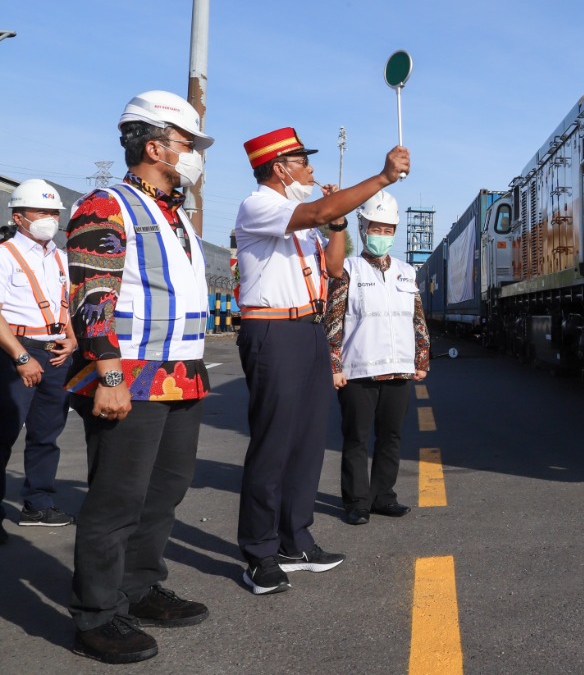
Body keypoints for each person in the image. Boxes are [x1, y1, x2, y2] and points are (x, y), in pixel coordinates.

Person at [63, 91, 215, 665]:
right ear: (155, 147)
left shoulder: (175, 215)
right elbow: (93, 295)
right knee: (116, 499)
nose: (195, 155)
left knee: (164, 492)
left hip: (182, 376)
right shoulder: (107, 206)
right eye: (188, 144)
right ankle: (97, 616)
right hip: (127, 374)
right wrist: (107, 372)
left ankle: (140, 586)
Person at [234, 128, 410, 595]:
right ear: (280, 168)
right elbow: (317, 209)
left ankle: (297, 540)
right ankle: (259, 552)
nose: (311, 170)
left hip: (308, 328)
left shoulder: (303, 220)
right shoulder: (261, 206)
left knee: (308, 442)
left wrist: (336, 226)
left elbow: (334, 268)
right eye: (303, 162)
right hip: (272, 328)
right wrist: (381, 179)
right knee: (273, 444)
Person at [324, 190, 429, 526]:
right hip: (358, 371)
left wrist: (422, 359)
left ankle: (383, 496)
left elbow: (417, 319)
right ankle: (356, 502)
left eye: (387, 230)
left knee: (391, 437)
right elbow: (333, 320)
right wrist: (334, 365)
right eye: (375, 228)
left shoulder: (405, 271)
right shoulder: (348, 270)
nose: (381, 235)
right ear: (363, 227)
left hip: (398, 369)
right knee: (356, 438)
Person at [0, 179, 76, 544]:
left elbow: (69, 303)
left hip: (56, 351)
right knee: (3, 434)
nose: (50, 218)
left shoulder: (60, 257)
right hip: (15, 350)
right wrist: (22, 355)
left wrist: (72, 336)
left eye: (54, 212)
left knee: (47, 433)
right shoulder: (4, 254)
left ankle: (38, 504)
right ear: (19, 217)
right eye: (42, 212)